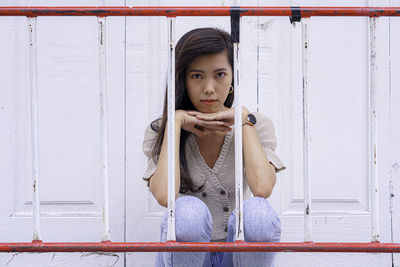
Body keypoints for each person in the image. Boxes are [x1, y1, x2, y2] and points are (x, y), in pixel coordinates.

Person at [142, 27, 285, 267]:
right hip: (186, 259)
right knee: (187, 210)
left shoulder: (255, 123)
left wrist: (243, 121)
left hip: (238, 255)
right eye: (197, 76)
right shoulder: (160, 129)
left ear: (232, 78)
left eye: (219, 75)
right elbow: (165, 196)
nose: (209, 88)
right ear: (182, 80)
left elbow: (262, 189)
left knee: (258, 211)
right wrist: (175, 123)